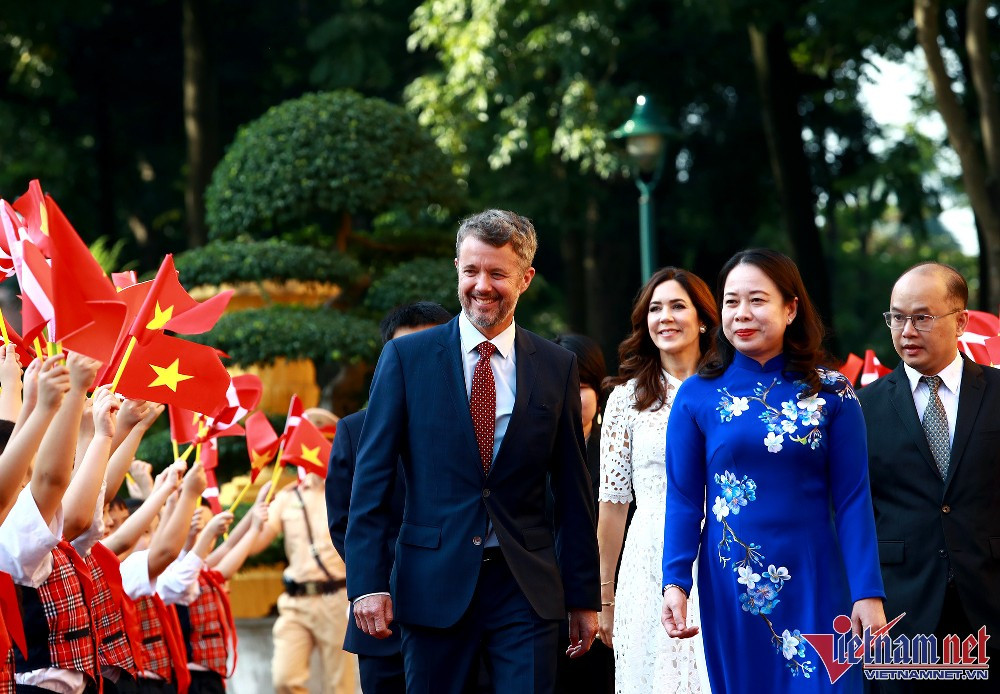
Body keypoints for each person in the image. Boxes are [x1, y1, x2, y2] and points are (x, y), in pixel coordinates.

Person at [345, 209, 600, 693]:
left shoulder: (556, 366)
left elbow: (573, 491)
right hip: (431, 584)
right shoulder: (406, 358)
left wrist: (583, 596)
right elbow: (371, 480)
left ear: (525, 278)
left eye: (497, 274)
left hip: (525, 587)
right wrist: (368, 583)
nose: (482, 286)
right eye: (471, 271)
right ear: (457, 270)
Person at [660, 249, 886, 693]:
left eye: (757, 300)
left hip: (817, 576)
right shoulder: (696, 395)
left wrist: (867, 592)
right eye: (731, 301)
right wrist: (675, 582)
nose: (742, 313)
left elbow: (854, 499)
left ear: (791, 308)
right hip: (733, 581)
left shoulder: (832, 391)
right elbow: (683, 500)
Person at [858, 262, 1000, 693]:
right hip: (900, 609)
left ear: (960, 321)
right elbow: (849, 510)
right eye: (897, 317)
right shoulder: (861, 408)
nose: (907, 331)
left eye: (922, 317)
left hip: (988, 599)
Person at [598, 268, 717, 693]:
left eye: (677, 306)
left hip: (721, 553)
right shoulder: (625, 400)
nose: (665, 317)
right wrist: (605, 597)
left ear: (702, 319)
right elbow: (612, 507)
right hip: (648, 558)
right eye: (655, 308)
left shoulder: (730, 393)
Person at [327, 301, 452, 694]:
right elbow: (345, 522)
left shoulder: (483, 420)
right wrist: (380, 582)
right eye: (405, 351)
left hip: (461, 613)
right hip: (385, 616)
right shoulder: (354, 430)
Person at [248, 453, 355, 694]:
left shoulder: (345, 492)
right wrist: (251, 521)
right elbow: (256, 545)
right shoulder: (288, 496)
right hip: (295, 602)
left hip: (336, 599)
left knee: (339, 686)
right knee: (284, 680)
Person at [549, 333, 614, 694]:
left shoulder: (617, 452)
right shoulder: (526, 450)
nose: (571, 395)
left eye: (582, 386)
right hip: (545, 605)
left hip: (609, 602)